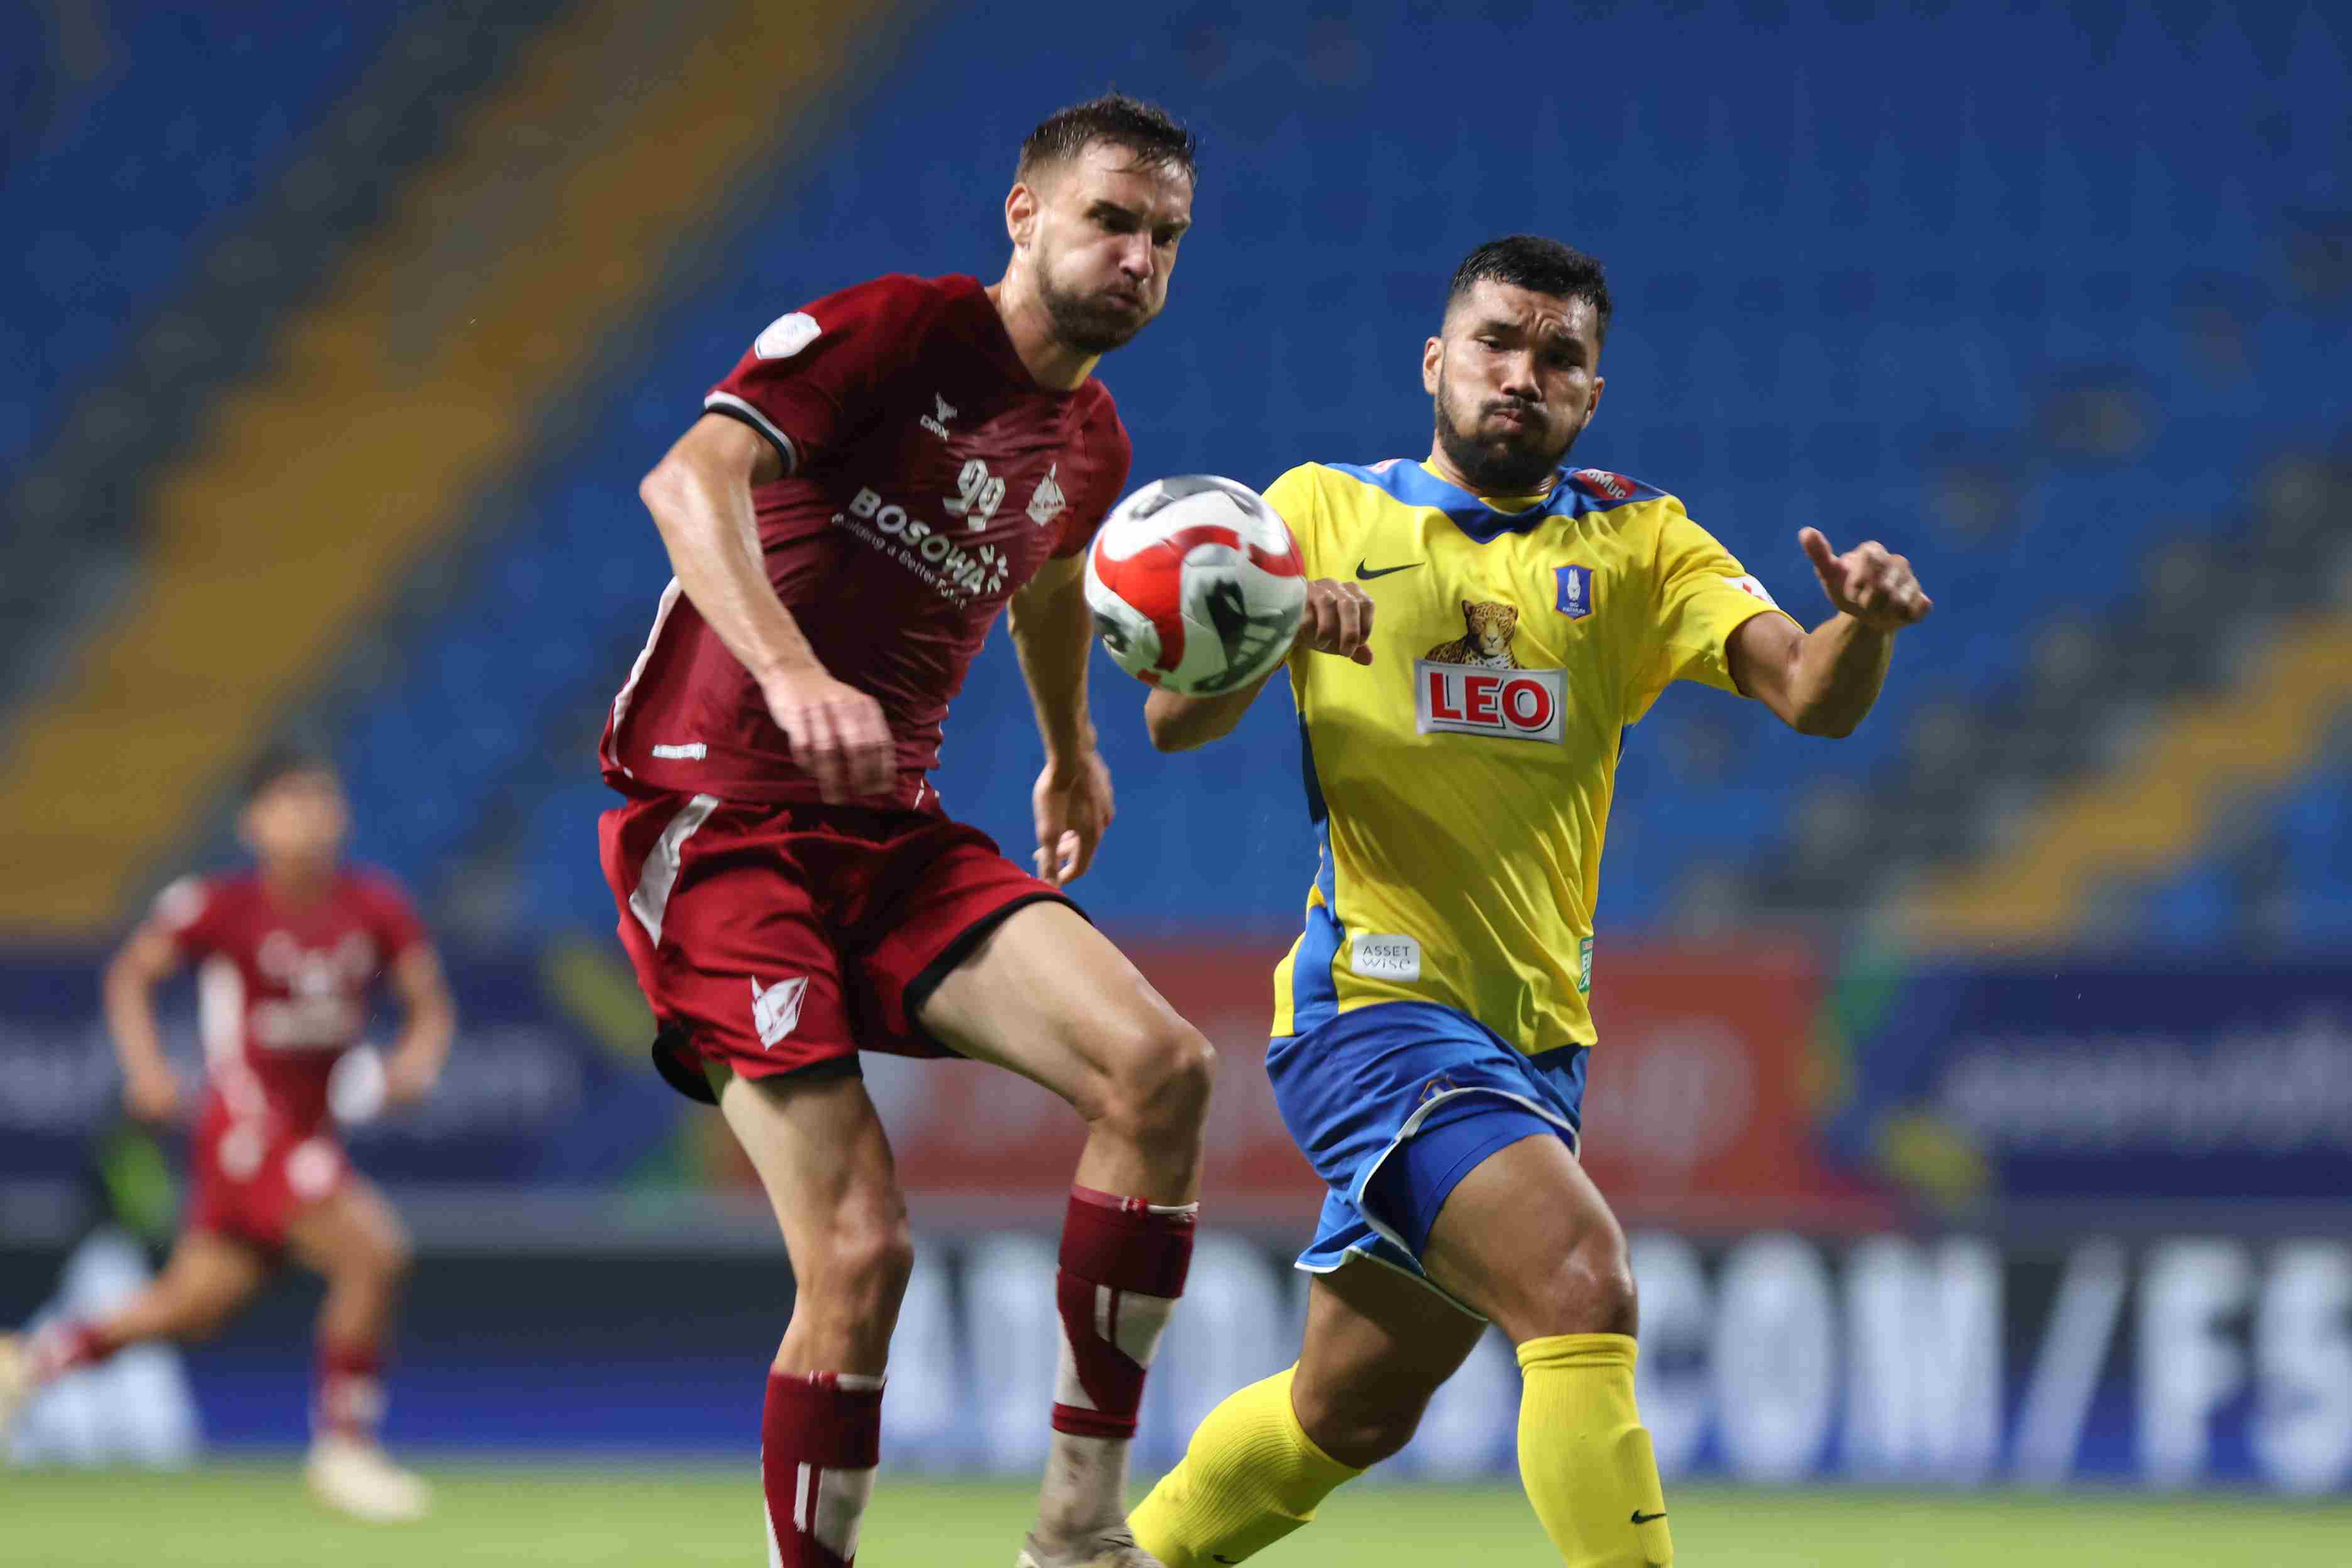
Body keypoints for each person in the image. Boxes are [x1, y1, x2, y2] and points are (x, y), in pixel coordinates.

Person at [1126, 235, 1934, 1568]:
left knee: (1351, 1408)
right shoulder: (1321, 508)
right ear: (1437, 360)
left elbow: (1809, 695)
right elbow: (1173, 719)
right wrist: (1274, 621)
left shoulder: (1635, 537)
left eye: (1559, 358)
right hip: (1372, 1011)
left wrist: (1868, 630)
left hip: (1532, 1044)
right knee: (1582, 1283)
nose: (1523, 375)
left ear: (1591, 395)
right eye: (1497, 343)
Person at [594, 94, 1211, 1568]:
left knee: (1161, 1068)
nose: (1135, 257)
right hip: (719, 823)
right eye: (1109, 220)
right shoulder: (896, 331)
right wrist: (792, 672)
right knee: (862, 1254)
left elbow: (1053, 578)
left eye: (1164, 238)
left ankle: (1075, 1527)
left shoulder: (1091, 440)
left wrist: (1069, 751)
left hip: (892, 834)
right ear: (1024, 215)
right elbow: (686, 480)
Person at [0, 745, 457, 1522]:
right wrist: (146, 1070)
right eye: (287, 804)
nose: (307, 819)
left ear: (341, 814)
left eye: (319, 801)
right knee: (374, 1252)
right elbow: (131, 975)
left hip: (311, 1135)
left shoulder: (375, 909)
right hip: (249, 1130)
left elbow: (429, 1004)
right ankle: (345, 1449)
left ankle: (27, 1363)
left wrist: (415, 1063)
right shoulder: (221, 908)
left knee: (191, 1306)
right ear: (252, 823)